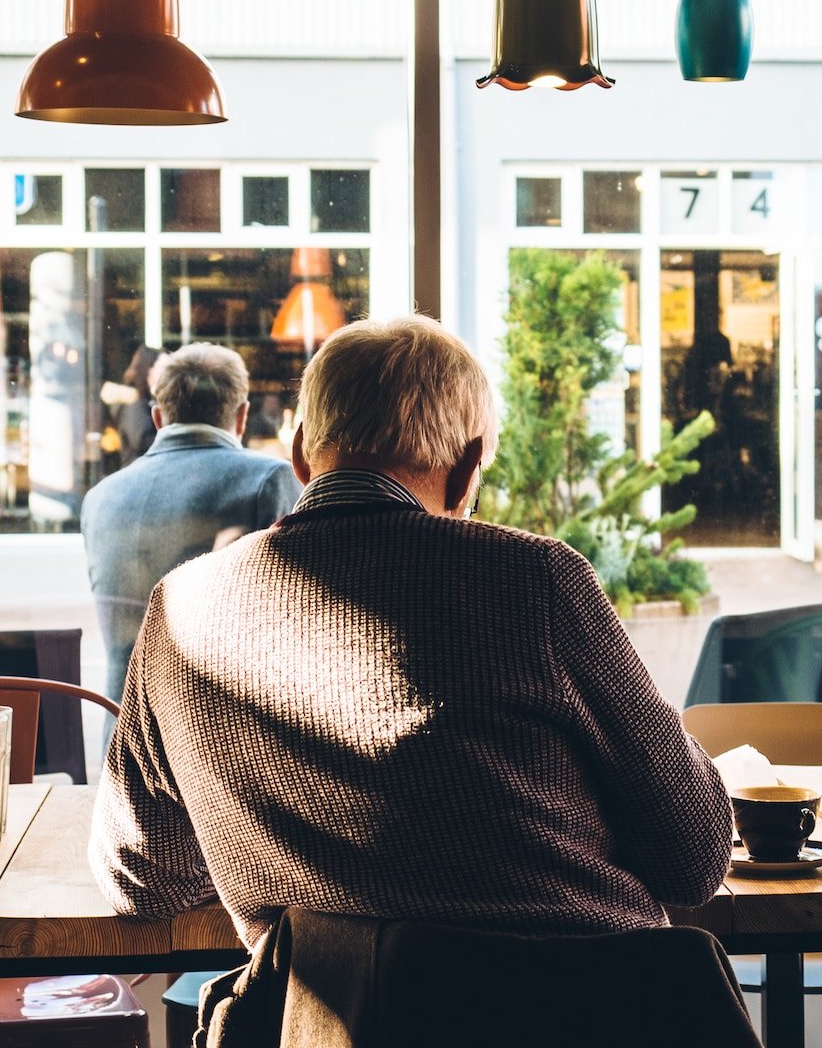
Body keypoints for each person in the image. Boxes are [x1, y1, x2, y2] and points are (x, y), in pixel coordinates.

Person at [89, 315, 732, 947]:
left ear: (300, 453)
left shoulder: (182, 608)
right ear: (467, 468)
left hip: (331, 1024)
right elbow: (694, 858)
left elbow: (141, 879)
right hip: (586, 1013)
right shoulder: (537, 580)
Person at [80, 342, 301, 703]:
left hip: (120, 738)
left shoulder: (100, 497)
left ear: (158, 418)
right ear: (242, 417)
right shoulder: (268, 481)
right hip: (216, 739)